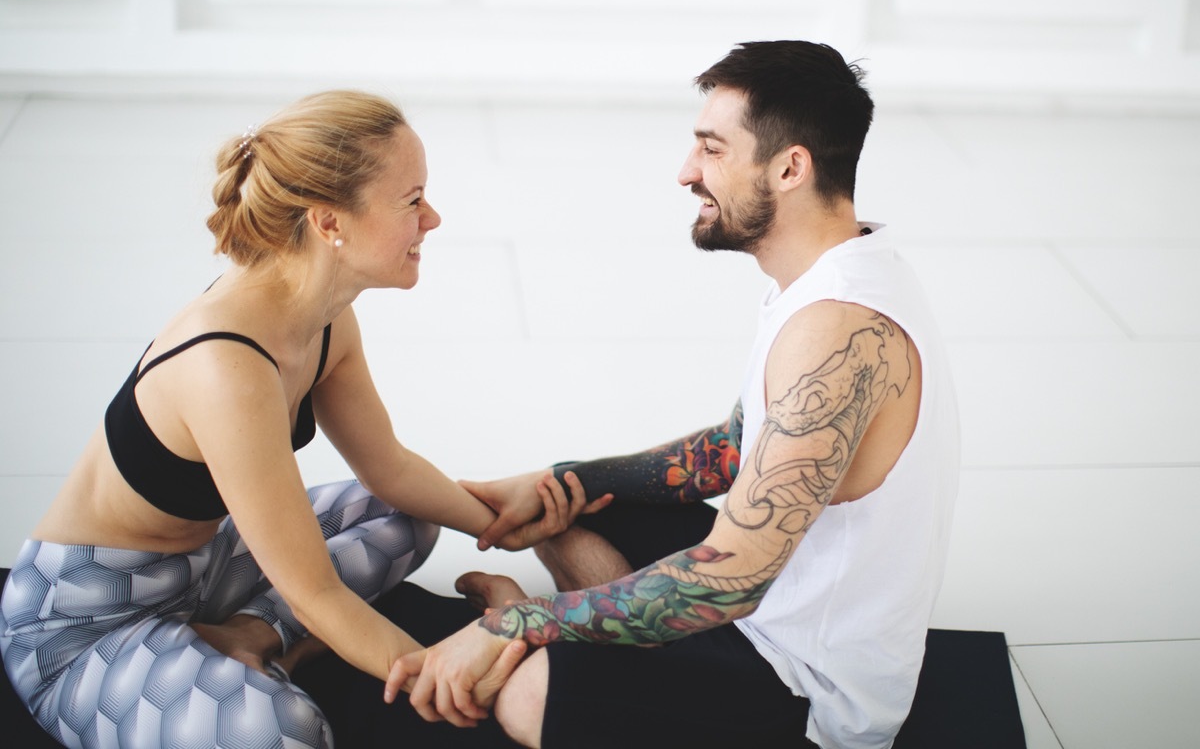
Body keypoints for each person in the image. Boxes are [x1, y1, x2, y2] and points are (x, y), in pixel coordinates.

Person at [387, 41, 961, 749]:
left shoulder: (836, 334)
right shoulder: (836, 272)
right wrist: (559, 481)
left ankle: (563, 650)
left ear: (790, 167)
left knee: (529, 694)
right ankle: (606, 642)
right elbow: (731, 448)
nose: (687, 172)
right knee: (576, 503)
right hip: (769, 598)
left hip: (807, 682)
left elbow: (731, 583)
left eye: (712, 150)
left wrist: (518, 622)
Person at [0, 90, 605, 749]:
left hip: (206, 568)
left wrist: (506, 521)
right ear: (328, 223)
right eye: (411, 201)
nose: (432, 217)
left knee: (410, 512)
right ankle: (258, 662)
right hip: (91, 621)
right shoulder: (224, 366)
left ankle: (253, 639)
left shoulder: (324, 318)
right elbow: (315, 591)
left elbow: (391, 470)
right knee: (284, 732)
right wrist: (444, 674)